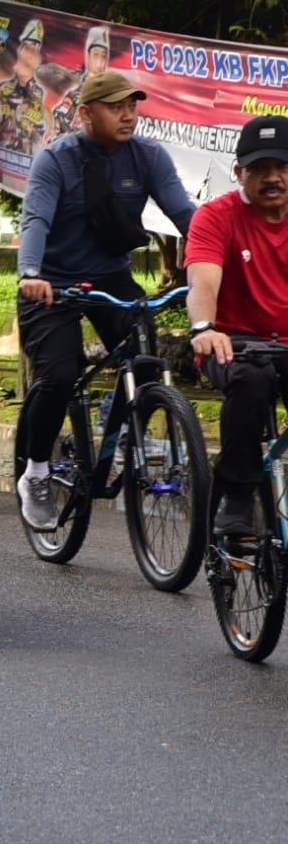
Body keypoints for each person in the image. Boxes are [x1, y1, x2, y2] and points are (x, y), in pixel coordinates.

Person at [14, 70, 196, 529]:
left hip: (110, 277)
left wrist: (218, 264)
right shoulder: (55, 161)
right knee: (59, 375)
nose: (128, 114)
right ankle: (35, 473)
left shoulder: (147, 156)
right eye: (117, 107)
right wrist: (31, 274)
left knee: (144, 354)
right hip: (51, 283)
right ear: (86, 113)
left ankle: (123, 427)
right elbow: (34, 220)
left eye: (133, 106)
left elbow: (185, 215)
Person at [185, 116, 288, 534]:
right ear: (239, 172)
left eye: (282, 167)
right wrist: (205, 327)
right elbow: (203, 281)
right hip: (232, 341)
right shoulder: (215, 217)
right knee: (249, 381)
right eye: (260, 169)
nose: (272, 178)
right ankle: (238, 495)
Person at [0, 19, 49, 169]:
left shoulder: (38, 93)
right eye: (27, 47)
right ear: (19, 50)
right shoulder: (3, 89)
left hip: (27, 165)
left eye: (35, 48)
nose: (31, 53)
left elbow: (39, 133)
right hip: (3, 161)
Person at [53, 26, 111, 139]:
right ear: (88, 57)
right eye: (96, 55)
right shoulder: (77, 91)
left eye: (103, 56)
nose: (100, 62)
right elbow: (60, 116)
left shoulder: (109, 92)